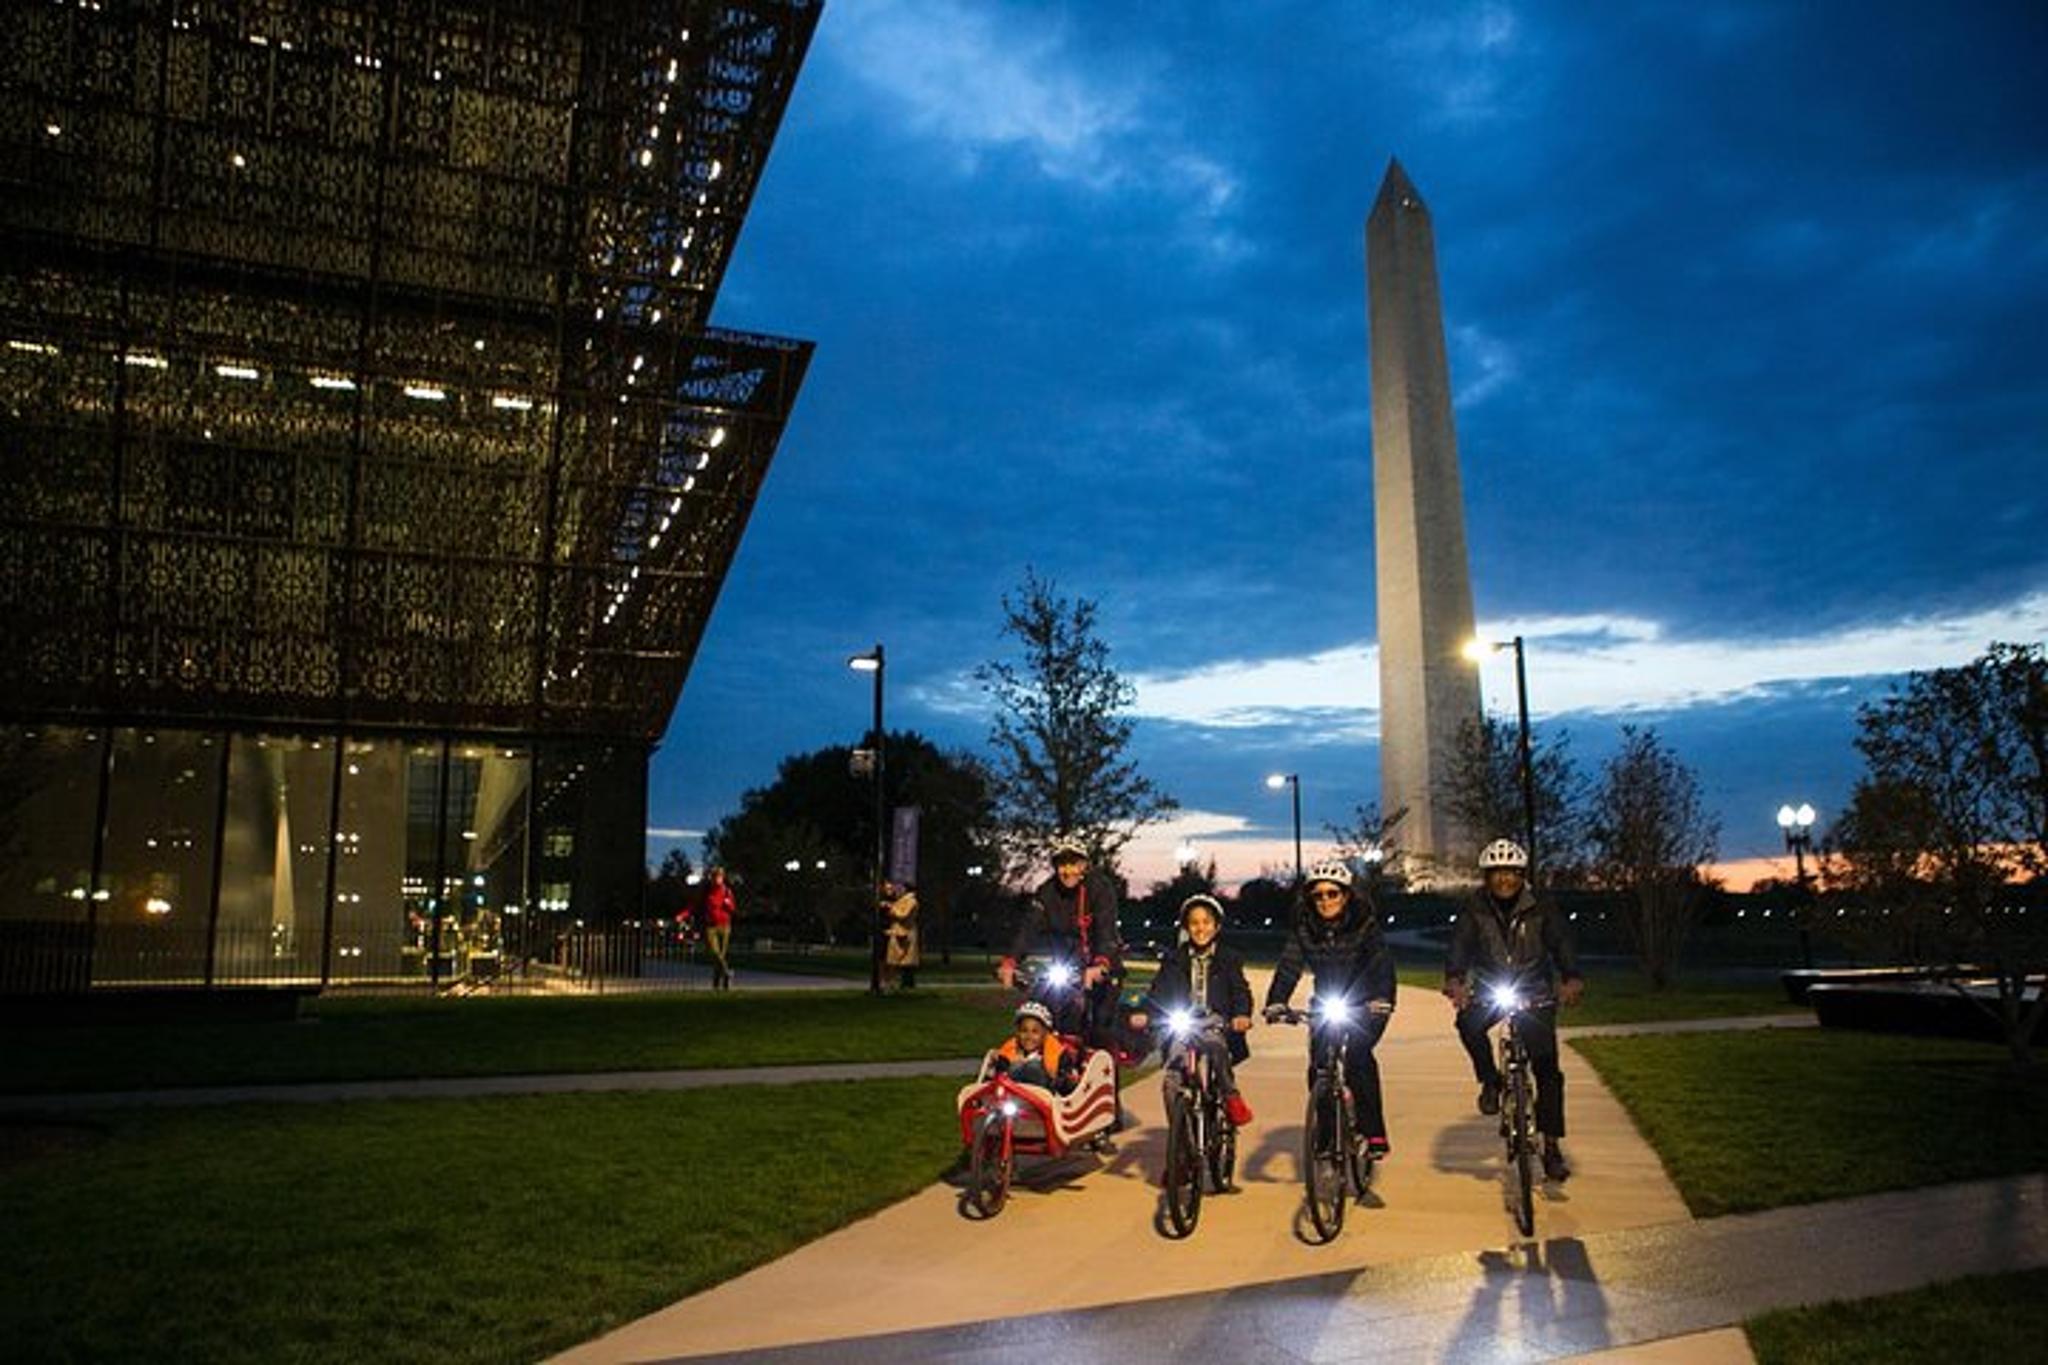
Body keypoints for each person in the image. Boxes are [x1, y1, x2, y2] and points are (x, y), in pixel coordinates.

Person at [1443, 838, 1585, 1182]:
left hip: (1534, 990)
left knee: (1547, 1070)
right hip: (1492, 987)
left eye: (1511, 873)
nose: (1504, 880)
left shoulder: (1542, 906)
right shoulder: (1475, 908)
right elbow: (1460, 945)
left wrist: (1571, 977)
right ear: (1487, 877)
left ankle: (1551, 1147)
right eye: (1497, 873)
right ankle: (1490, 1081)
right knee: (1468, 1025)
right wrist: (1456, 979)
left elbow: (1562, 942)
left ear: (1522, 875)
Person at [1263, 859, 1397, 1159]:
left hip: (1367, 1003)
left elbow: (1381, 964)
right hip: (1326, 1002)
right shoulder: (1304, 929)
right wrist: (1276, 1001)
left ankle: (1374, 1132)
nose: (1325, 900)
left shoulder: (1365, 925)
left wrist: (1382, 998)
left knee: (1359, 1057)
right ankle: (1325, 1134)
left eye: (1332, 893)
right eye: (1318, 895)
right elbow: (1289, 966)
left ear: (1346, 895)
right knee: (1320, 1067)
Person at [1128, 894, 1255, 1127]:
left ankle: (1230, 1095)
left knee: (1215, 1047)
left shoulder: (1228, 958)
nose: (1200, 928)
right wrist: (1144, 1013)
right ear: (1186, 927)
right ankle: (1179, 1145)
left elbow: (1240, 990)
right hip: (1184, 1022)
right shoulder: (1174, 960)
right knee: (1171, 1081)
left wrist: (1241, 1015)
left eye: (1206, 922)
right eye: (1194, 923)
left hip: (1214, 1020)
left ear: (1216, 927)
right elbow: (1158, 991)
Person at [998, 836, 1125, 1051]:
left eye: (1073, 864)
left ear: (1083, 865)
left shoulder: (1100, 888)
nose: (1068, 871)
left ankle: (1103, 1075)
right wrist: (1011, 961)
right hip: (1067, 966)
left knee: (1100, 1026)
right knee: (1040, 1013)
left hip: (1102, 966)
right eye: (1062, 864)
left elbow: (1106, 929)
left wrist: (1101, 963)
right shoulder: (1046, 893)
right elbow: (1028, 929)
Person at [989, 1001, 1079, 1095]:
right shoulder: (1007, 1053)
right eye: (1024, 1030)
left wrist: (1060, 1081)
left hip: (1044, 1100)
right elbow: (995, 1081)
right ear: (1018, 1033)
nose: (1029, 1036)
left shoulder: (1059, 1055)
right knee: (1016, 1067)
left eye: (1035, 1031)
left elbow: (1067, 1087)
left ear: (1045, 1033)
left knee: (1033, 1067)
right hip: (1012, 1100)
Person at [880, 881, 920, 991]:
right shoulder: (904, 900)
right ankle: (890, 984)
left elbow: (903, 915)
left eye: (900, 888)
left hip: (903, 933)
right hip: (898, 932)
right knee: (891, 961)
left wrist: (890, 908)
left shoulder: (911, 901)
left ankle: (892, 984)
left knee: (896, 961)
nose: (897, 890)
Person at [701, 866, 735, 991]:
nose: (716, 879)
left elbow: (733, 909)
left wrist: (728, 903)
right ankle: (727, 973)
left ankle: (717, 984)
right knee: (715, 953)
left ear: (722, 878)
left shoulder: (727, 891)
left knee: (720, 956)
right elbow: (698, 905)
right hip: (711, 927)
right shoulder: (707, 891)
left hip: (725, 927)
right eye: (714, 876)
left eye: (719, 876)